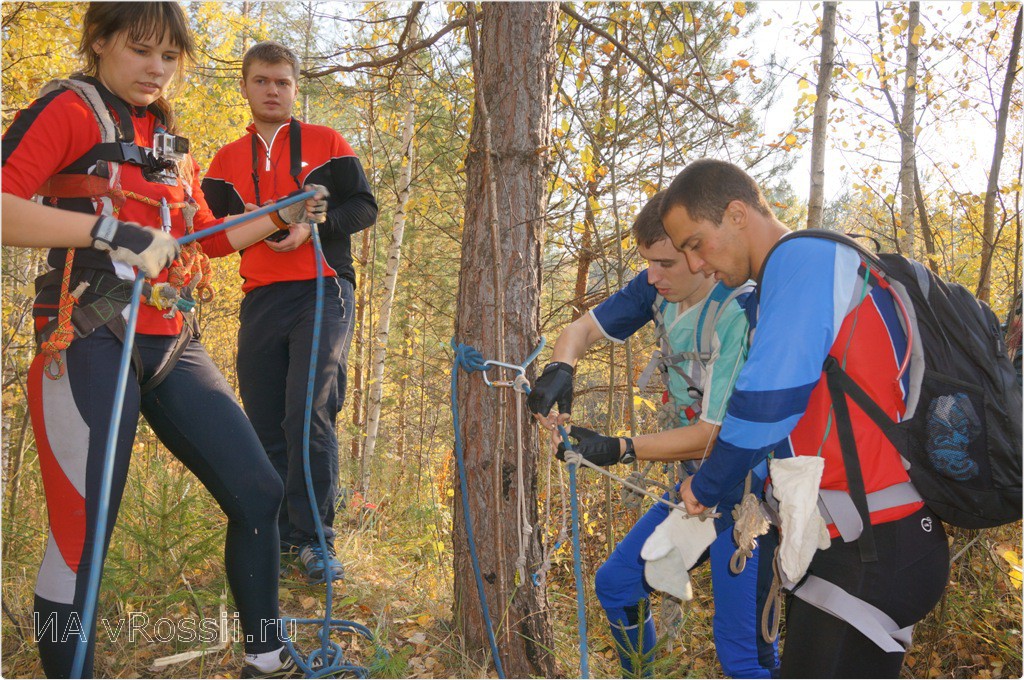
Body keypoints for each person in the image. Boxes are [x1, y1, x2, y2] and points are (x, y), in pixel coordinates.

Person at [1, 3, 329, 677]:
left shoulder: (165, 138)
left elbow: (204, 236)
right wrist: (108, 232)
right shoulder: (68, 110)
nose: (157, 69)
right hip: (88, 333)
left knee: (258, 491)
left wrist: (280, 216)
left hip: (171, 338)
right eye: (141, 51)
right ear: (99, 44)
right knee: (80, 536)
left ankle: (265, 657)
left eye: (170, 57)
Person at [660, 159, 949, 678]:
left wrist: (706, 487)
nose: (696, 264)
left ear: (737, 213)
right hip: (862, 544)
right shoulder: (799, 272)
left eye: (696, 243)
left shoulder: (803, 261)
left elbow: (764, 406)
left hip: (873, 548)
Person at [528, 192, 778, 678]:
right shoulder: (657, 287)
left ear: (702, 257)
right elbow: (581, 330)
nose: (652, 276)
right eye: (648, 264)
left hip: (750, 499)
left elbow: (714, 435)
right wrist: (561, 367)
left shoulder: (739, 314)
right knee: (619, 584)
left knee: (744, 657)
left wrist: (620, 448)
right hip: (696, 486)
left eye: (665, 262)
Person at [201, 41, 377, 583]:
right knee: (262, 420)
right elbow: (212, 239)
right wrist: (261, 222)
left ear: (295, 88)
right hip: (260, 297)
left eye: (282, 82)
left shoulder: (327, 143)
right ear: (246, 87)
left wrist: (312, 225)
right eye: (262, 81)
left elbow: (365, 206)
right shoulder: (225, 161)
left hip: (324, 290)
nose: (272, 90)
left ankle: (316, 540)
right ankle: (274, 535)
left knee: (309, 410)